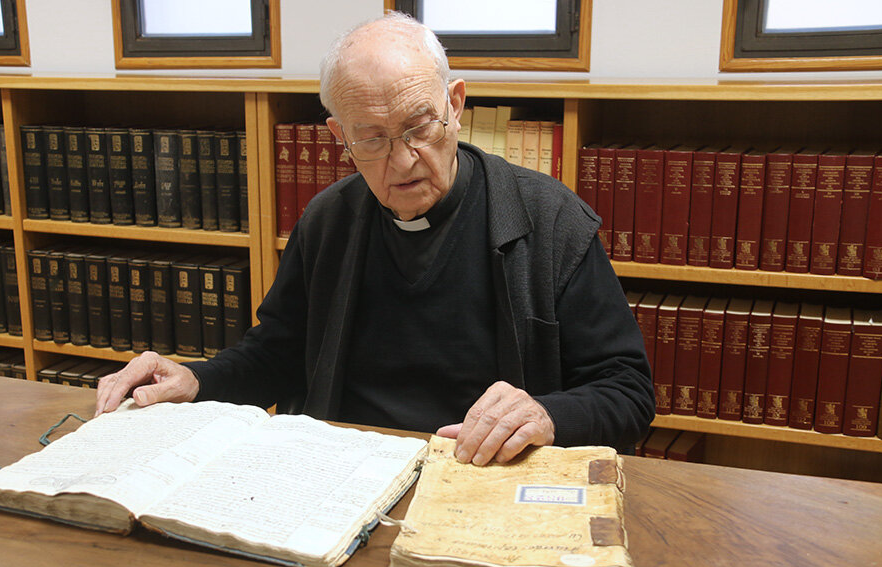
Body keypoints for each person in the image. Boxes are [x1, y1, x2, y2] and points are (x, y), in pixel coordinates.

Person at [95, 12, 655, 464]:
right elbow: (279, 353)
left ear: (455, 105)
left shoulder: (551, 221)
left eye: (420, 126)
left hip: (479, 474)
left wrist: (548, 414)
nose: (404, 159)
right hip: (341, 468)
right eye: (373, 139)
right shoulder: (329, 219)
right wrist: (195, 379)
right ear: (340, 135)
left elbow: (627, 392)